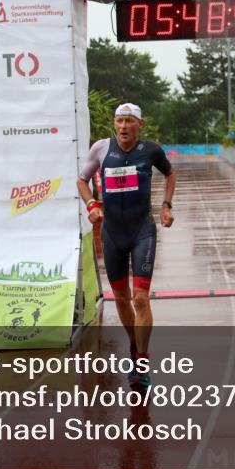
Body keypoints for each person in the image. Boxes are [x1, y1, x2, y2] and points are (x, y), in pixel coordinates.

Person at [77, 103, 175, 390]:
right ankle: (135, 345)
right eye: (119, 121)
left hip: (142, 230)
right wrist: (91, 204)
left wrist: (166, 206)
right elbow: (82, 180)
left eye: (129, 121)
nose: (123, 126)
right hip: (112, 233)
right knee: (121, 298)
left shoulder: (151, 150)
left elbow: (170, 174)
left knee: (140, 299)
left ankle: (142, 362)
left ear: (139, 124)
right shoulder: (101, 149)